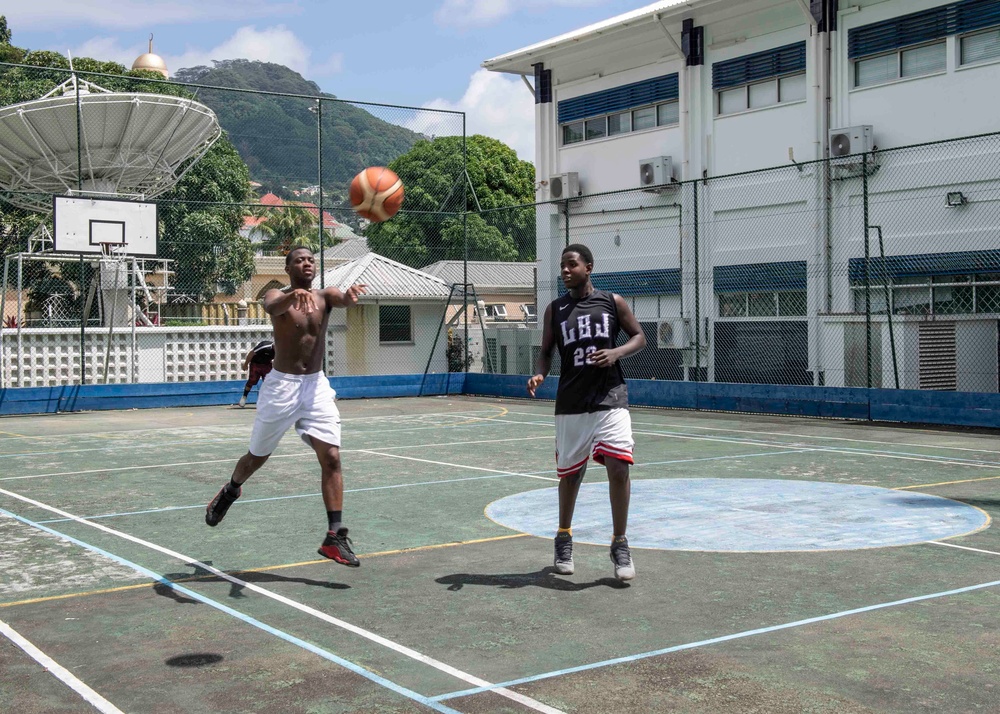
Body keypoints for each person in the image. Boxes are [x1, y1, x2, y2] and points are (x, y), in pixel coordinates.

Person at [206, 246, 368, 567]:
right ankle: (231, 489)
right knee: (256, 458)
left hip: (316, 386)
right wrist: (292, 295)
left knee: (332, 456)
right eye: (299, 260)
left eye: (310, 259)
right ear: (289, 267)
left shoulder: (324, 296)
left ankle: (334, 535)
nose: (306, 263)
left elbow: (341, 298)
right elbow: (272, 306)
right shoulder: (278, 295)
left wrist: (350, 297)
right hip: (281, 387)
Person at [527, 244, 646, 581]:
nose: (565, 270)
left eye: (572, 264)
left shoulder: (612, 302)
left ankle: (619, 543)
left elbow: (639, 337)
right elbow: (546, 351)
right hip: (572, 402)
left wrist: (615, 353)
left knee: (619, 465)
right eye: (562, 265)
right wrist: (540, 373)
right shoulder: (556, 309)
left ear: (589, 267)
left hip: (611, 396)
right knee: (570, 474)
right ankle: (563, 535)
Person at [237, 339, 275, 407]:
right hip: (256, 364)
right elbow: (251, 354)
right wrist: (246, 364)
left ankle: (268, 401)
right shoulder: (264, 346)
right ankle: (244, 397)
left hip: (267, 365)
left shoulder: (281, 351)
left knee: (269, 382)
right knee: (252, 381)